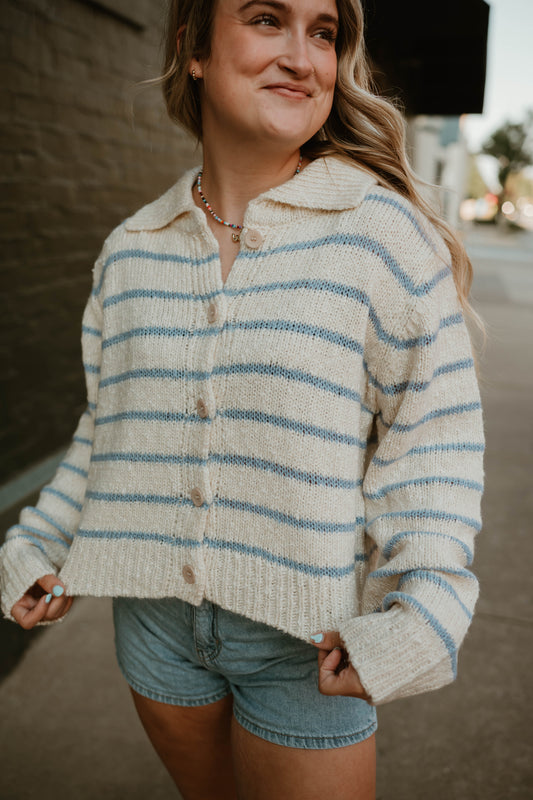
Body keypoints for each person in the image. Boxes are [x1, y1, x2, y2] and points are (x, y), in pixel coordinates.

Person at [0, 0, 485, 797]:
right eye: (267, 19)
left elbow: (431, 442)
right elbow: (111, 427)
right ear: (193, 46)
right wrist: (39, 544)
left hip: (309, 643)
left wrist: (421, 608)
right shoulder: (131, 250)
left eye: (323, 32)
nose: (303, 56)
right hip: (153, 627)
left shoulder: (381, 236)